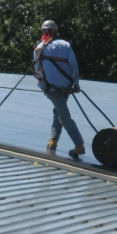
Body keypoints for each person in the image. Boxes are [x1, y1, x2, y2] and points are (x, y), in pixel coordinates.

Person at [33, 20, 85, 156]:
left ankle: (79, 144)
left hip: (53, 90)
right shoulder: (65, 45)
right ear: (55, 32)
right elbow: (74, 65)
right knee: (58, 111)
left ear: (43, 32)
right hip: (67, 88)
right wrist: (76, 84)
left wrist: (43, 87)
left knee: (64, 116)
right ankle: (53, 140)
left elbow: (38, 73)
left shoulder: (39, 49)